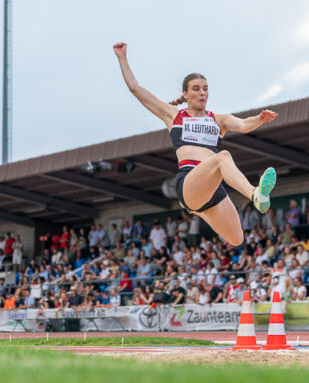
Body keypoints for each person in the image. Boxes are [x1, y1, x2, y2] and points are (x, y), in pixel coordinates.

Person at [114, 42, 277, 247]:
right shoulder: (174, 115)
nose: (202, 93)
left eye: (205, 89)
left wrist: (260, 118)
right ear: (185, 94)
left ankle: (201, 212)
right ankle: (255, 194)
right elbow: (135, 89)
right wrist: (122, 58)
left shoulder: (218, 120)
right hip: (189, 181)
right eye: (196, 89)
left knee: (237, 239)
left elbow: (244, 124)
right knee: (223, 157)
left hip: (212, 189)